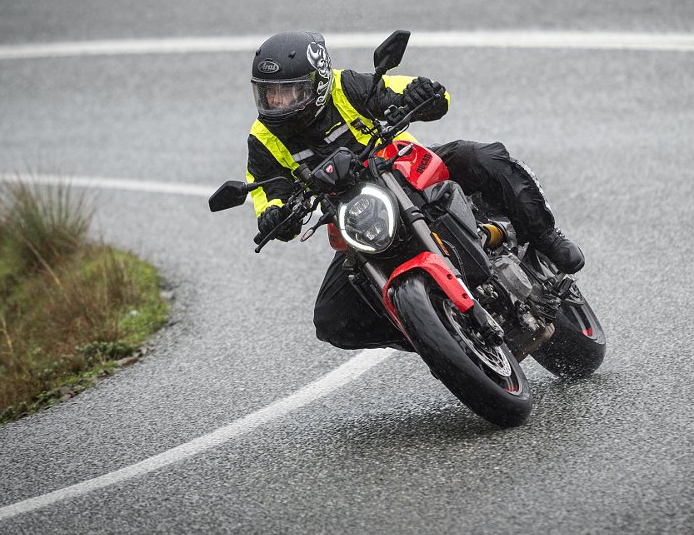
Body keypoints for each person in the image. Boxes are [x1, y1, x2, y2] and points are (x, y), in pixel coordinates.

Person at [244, 31, 585, 350]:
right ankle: (437, 336)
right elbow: (268, 190)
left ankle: (547, 238)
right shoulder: (263, 138)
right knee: (332, 320)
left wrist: (424, 93)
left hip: (407, 170)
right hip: (355, 216)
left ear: (317, 84)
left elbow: (403, 89)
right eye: (269, 93)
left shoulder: (347, 87)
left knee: (482, 157)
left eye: (288, 91)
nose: (277, 102)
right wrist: (274, 215)